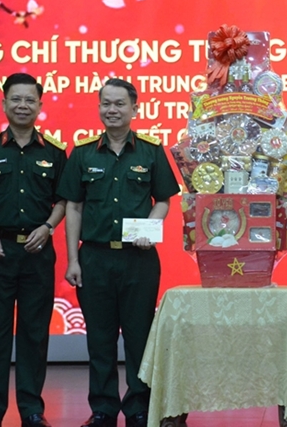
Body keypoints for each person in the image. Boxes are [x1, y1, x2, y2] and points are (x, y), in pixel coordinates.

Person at [58, 78, 179, 427]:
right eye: (106, 104)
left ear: (134, 109)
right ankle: (103, 409)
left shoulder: (150, 150)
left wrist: (150, 228)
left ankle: (139, 407)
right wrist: (73, 259)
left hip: (138, 260)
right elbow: (73, 208)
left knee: (139, 337)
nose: (112, 110)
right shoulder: (82, 153)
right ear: (99, 108)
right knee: (100, 339)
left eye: (119, 104)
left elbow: (164, 200)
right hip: (94, 258)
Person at [0, 73, 67, 427]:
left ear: (40, 105)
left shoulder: (54, 151)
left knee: (35, 333)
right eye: (16, 99)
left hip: (38, 253)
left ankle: (32, 409)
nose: (23, 105)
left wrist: (48, 227)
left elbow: (64, 200)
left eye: (29, 100)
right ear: (4, 103)